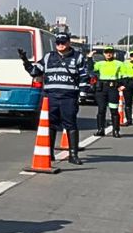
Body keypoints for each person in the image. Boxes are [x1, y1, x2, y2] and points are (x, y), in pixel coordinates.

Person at [19, 32, 86, 165]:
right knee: (51, 125)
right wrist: (25, 61)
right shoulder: (48, 57)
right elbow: (35, 72)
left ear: (69, 43)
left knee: (71, 124)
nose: (60, 45)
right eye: (58, 43)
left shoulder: (77, 57)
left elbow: (84, 76)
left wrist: (83, 94)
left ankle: (73, 154)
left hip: (69, 96)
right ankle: (49, 154)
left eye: (63, 42)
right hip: (51, 96)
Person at [91, 46, 124, 137]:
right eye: (106, 52)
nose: (108, 54)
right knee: (101, 110)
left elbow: (124, 75)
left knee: (114, 110)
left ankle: (116, 130)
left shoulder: (119, 64)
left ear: (113, 53)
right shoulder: (99, 63)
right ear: (104, 54)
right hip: (101, 88)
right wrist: (89, 58)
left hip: (113, 88)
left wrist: (122, 85)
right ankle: (100, 130)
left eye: (110, 52)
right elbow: (90, 69)